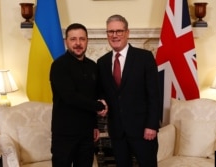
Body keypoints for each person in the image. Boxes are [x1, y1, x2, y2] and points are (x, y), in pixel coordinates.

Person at [97, 14, 161, 167]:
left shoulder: (145, 58)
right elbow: (102, 92)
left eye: (119, 31)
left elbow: (154, 94)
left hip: (143, 131)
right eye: (110, 32)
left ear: (127, 33)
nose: (114, 35)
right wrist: (101, 101)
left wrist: (152, 125)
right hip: (117, 131)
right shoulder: (102, 62)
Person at [50, 23, 108, 167]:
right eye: (73, 39)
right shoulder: (59, 66)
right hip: (64, 133)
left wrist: (95, 125)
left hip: (86, 133)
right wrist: (99, 106)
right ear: (66, 42)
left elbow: (93, 94)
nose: (78, 43)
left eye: (82, 39)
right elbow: (70, 97)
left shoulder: (92, 66)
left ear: (87, 41)